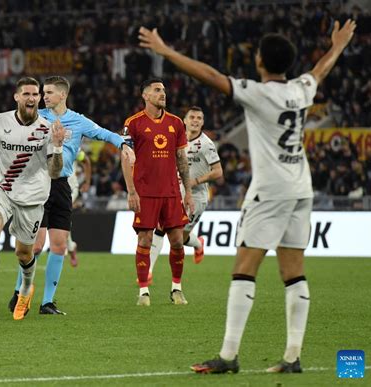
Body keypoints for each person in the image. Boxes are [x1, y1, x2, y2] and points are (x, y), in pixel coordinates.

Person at [139, 19, 356, 373]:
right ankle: (292, 357)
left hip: (269, 192)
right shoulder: (302, 88)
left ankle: (228, 356)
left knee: (243, 270)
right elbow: (320, 70)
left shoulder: (258, 93)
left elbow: (210, 75)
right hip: (302, 188)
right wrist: (339, 45)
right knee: (293, 272)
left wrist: (166, 52)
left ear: (260, 62)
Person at [0, 76, 134, 316]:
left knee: (60, 245)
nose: (43, 97)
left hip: (62, 185)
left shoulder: (79, 121)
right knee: (35, 245)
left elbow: (105, 134)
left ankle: (47, 302)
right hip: (36, 185)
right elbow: (12, 127)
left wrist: (124, 144)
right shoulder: (39, 117)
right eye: (42, 93)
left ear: (63, 95)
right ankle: (19, 291)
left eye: (49, 92)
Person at [0, 77, 65, 321]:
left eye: (35, 94)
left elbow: (54, 172)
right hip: (2, 190)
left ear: (40, 99)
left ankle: (26, 291)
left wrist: (58, 147)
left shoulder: (47, 128)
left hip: (31, 198)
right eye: (26, 94)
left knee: (23, 253)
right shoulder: (0, 121)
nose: (31, 98)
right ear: (16, 97)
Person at [120, 78, 195, 307]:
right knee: (145, 239)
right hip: (145, 193)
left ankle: (176, 288)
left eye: (163, 90)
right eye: (157, 90)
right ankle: (143, 292)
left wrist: (188, 192)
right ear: (145, 95)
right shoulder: (132, 123)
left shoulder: (176, 123)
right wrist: (131, 191)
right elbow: (125, 157)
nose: (163, 93)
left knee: (177, 241)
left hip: (171, 192)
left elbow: (182, 159)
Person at [148, 106, 223, 281]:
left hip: (196, 197)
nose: (195, 120)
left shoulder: (206, 144)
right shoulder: (175, 139)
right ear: (185, 120)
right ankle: (148, 271)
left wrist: (194, 181)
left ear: (202, 122)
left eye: (199, 118)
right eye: (192, 117)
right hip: (174, 192)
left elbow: (218, 172)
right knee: (161, 228)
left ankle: (198, 243)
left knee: (180, 238)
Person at [66, 149, 92, 267]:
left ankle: (70, 246)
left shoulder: (73, 145)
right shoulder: (47, 143)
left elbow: (86, 160)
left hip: (71, 189)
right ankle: (70, 245)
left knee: (61, 214)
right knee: (59, 218)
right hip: (52, 189)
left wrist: (87, 181)